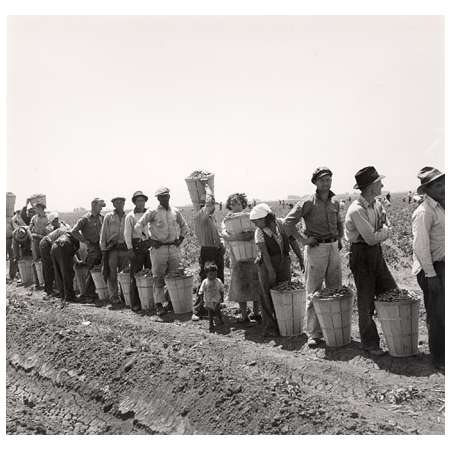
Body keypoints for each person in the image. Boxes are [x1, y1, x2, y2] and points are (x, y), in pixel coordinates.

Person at [284, 167, 343, 347]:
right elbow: (288, 223)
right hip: (316, 248)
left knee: (335, 289)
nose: (326, 183)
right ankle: (313, 334)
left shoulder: (335, 202)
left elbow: (339, 222)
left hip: (333, 247)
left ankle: (333, 328)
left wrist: (339, 239)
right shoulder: (308, 202)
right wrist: (304, 240)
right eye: (323, 180)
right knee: (314, 291)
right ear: (316, 182)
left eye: (329, 179)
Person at [345, 166, 397, 356]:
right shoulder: (356, 209)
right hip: (361, 254)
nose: (382, 185)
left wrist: (383, 231)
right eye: (379, 183)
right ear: (370, 186)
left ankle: (395, 336)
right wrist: (385, 231)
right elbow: (371, 238)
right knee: (366, 300)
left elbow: (385, 224)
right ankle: (369, 343)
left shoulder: (376, 204)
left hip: (375, 252)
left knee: (391, 291)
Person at [250, 203, 304, 336]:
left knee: (284, 291)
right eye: (254, 221)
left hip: (283, 261)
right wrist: (271, 271)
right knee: (267, 294)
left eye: (258, 220)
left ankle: (284, 323)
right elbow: (265, 253)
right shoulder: (259, 232)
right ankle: (270, 326)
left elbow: (292, 241)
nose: (256, 224)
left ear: (267, 218)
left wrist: (301, 258)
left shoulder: (281, 224)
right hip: (267, 264)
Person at [135, 187, 188, 316]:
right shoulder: (153, 211)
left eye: (167, 196)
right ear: (158, 198)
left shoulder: (175, 211)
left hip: (173, 248)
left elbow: (184, 225)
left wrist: (180, 239)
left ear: (169, 196)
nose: (165, 198)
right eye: (162, 196)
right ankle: (159, 304)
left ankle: (171, 302)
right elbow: (138, 226)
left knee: (174, 275)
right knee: (158, 277)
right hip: (159, 249)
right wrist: (148, 241)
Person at [412, 167, 445, 372]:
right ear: (426, 189)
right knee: (437, 314)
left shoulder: (442, 206)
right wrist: (431, 275)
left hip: (443, 265)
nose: (442, 187)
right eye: (437, 184)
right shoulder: (424, 212)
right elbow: (420, 246)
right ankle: (439, 359)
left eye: (442, 182)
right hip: (432, 269)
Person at [221, 192, 263, 324]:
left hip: (252, 254)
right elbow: (224, 234)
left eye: (238, 203)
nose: (235, 206)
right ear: (229, 206)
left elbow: (255, 232)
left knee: (256, 283)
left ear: (243, 204)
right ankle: (244, 315)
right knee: (240, 285)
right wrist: (238, 237)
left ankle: (256, 313)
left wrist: (247, 235)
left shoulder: (250, 216)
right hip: (236, 256)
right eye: (232, 203)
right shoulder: (227, 220)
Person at [191, 181, 225, 321]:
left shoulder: (211, 218)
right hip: (208, 251)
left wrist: (221, 245)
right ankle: (198, 310)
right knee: (206, 279)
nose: (212, 207)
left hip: (216, 251)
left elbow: (218, 235)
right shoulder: (200, 216)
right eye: (209, 204)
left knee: (217, 279)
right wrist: (207, 187)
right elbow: (209, 203)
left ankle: (214, 307)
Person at [71, 198, 106, 302]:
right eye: (99, 206)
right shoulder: (85, 219)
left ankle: (94, 292)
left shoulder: (101, 218)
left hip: (101, 246)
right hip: (92, 248)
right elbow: (74, 231)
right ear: (93, 205)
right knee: (91, 270)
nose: (101, 208)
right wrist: (85, 242)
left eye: (101, 206)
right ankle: (87, 294)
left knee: (99, 270)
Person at [125, 191, 152, 313]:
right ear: (134, 202)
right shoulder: (130, 216)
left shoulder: (149, 213)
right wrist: (130, 249)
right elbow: (127, 233)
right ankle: (135, 303)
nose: (141, 203)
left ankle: (150, 302)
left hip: (148, 244)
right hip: (136, 246)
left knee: (150, 273)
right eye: (138, 200)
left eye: (143, 200)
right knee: (135, 274)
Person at [100, 196, 128, 309]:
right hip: (112, 249)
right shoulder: (109, 217)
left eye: (121, 202)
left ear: (124, 204)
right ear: (113, 205)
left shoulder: (128, 217)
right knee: (112, 274)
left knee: (124, 273)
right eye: (117, 203)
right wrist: (103, 249)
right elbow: (103, 233)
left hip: (124, 249)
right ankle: (114, 296)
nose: (119, 204)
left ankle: (125, 296)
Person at [39, 216, 71, 297]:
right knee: (48, 267)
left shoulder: (66, 231)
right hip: (45, 244)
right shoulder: (65, 232)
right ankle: (49, 290)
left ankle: (54, 288)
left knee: (53, 267)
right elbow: (54, 243)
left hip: (50, 243)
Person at [50, 231, 81, 307]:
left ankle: (63, 295)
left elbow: (73, 252)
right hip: (64, 245)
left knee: (58, 272)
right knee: (67, 272)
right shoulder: (77, 238)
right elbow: (74, 251)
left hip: (54, 247)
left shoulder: (69, 234)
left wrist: (76, 260)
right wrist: (77, 261)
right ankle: (70, 296)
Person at [198, 263, 225, 333]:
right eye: (211, 274)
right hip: (208, 300)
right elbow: (201, 291)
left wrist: (222, 298)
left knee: (217, 310)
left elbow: (221, 290)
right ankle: (211, 323)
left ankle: (220, 319)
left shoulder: (218, 281)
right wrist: (201, 300)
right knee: (210, 312)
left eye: (215, 274)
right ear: (207, 274)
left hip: (217, 299)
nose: (213, 276)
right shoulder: (205, 282)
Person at [6, 216, 17, 280]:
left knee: (12, 258)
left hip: (10, 239)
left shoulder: (11, 219)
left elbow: (15, 228)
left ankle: (12, 275)